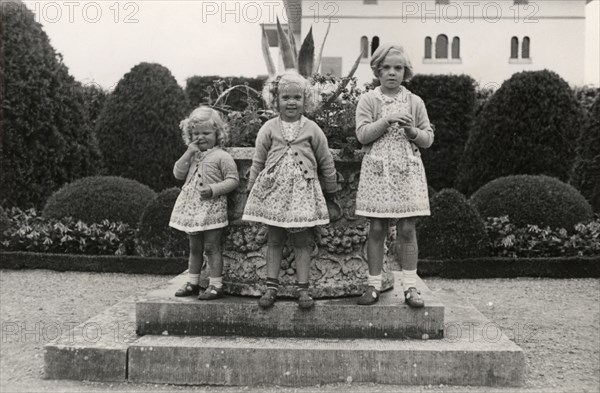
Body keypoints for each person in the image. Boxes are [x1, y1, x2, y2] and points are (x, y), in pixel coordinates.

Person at [243, 70, 337, 309]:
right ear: (276, 101)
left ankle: (303, 289)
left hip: (302, 193)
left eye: (297, 97)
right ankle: (271, 287)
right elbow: (258, 160)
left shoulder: (313, 129)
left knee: (302, 239)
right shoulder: (269, 128)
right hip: (274, 191)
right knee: (274, 238)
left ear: (306, 100)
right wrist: (251, 186)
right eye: (286, 98)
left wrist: (331, 187)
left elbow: (325, 159)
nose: (292, 102)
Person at [354, 43, 434, 308]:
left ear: (405, 71)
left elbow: (428, 139)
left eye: (398, 68)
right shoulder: (369, 100)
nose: (392, 73)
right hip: (378, 171)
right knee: (377, 228)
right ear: (377, 70)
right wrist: (386, 121)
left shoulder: (415, 101)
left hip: (406, 170)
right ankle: (373, 285)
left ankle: (411, 287)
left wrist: (412, 131)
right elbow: (362, 134)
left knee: (407, 228)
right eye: (386, 68)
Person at [169, 106, 239, 300]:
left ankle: (216, 285)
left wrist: (213, 189)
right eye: (196, 133)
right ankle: (193, 281)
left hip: (212, 208)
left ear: (218, 133)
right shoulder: (192, 155)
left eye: (206, 133)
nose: (201, 137)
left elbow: (233, 180)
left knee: (212, 247)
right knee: (194, 247)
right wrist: (188, 153)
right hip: (193, 208)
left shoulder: (222, 156)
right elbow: (177, 173)